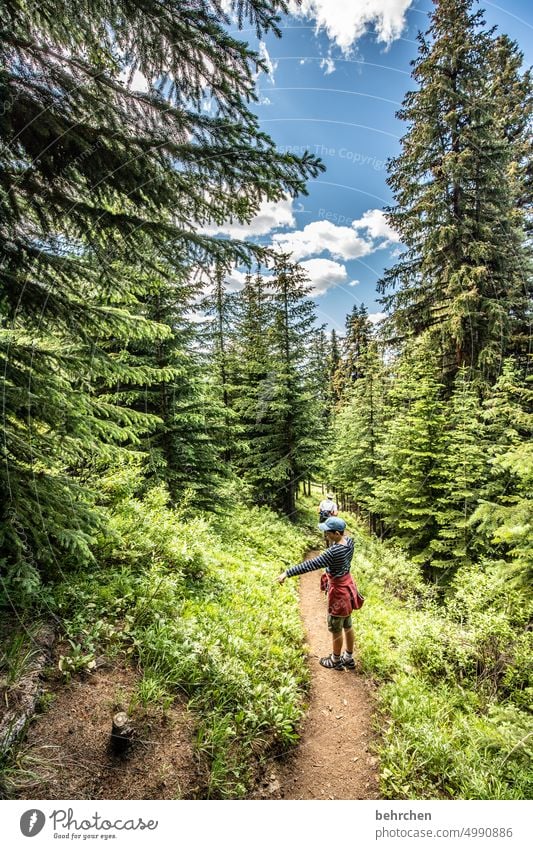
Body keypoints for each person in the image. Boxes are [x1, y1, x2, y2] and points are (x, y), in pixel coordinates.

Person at [276, 516, 362, 670]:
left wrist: (287, 573)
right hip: (349, 587)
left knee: (336, 627)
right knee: (347, 625)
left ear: (336, 533)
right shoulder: (349, 542)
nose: (325, 535)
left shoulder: (334, 551)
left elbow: (311, 564)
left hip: (339, 593)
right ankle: (348, 657)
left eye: (328, 532)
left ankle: (336, 660)